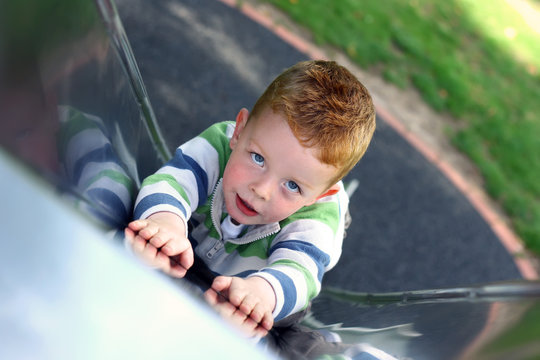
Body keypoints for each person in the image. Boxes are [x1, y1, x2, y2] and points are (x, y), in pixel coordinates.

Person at [124, 60, 376, 342]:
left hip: (266, 270)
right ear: (240, 131)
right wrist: (165, 223)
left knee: (287, 336)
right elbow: (171, 183)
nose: (262, 190)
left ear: (316, 197)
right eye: (258, 159)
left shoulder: (314, 219)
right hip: (203, 246)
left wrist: (260, 292)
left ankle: (332, 207)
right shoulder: (220, 144)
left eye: (291, 185)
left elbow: (299, 272)